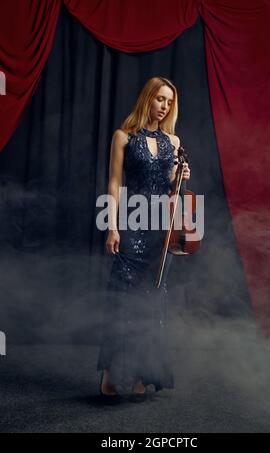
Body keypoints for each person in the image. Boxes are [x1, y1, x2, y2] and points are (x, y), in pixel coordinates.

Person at [97, 76, 191, 399]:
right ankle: (109, 376)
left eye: (169, 101)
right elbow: (113, 185)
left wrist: (179, 177)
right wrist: (111, 226)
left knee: (153, 302)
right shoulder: (123, 137)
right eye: (159, 99)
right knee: (122, 300)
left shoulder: (174, 142)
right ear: (147, 99)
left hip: (159, 231)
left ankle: (141, 376)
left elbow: (169, 189)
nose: (164, 107)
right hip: (131, 225)